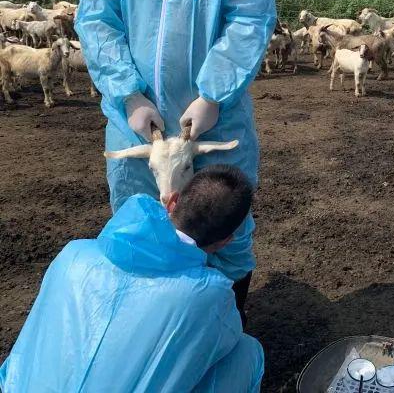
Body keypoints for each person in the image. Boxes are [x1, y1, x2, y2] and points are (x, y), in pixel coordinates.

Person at [75, 0, 276, 319]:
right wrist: (129, 94)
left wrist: (213, 93)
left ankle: (225, 322)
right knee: (142, 224)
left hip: (217, 124)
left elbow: (249, 19)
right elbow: (98, 21)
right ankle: (153, 323)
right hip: (136, 129)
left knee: (224, 233)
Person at [0, 165, 264, 392]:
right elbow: (224, 339)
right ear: (226, 242)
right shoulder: (209, 294)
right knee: (245, 352)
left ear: (172, 201)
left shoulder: (74, 253)